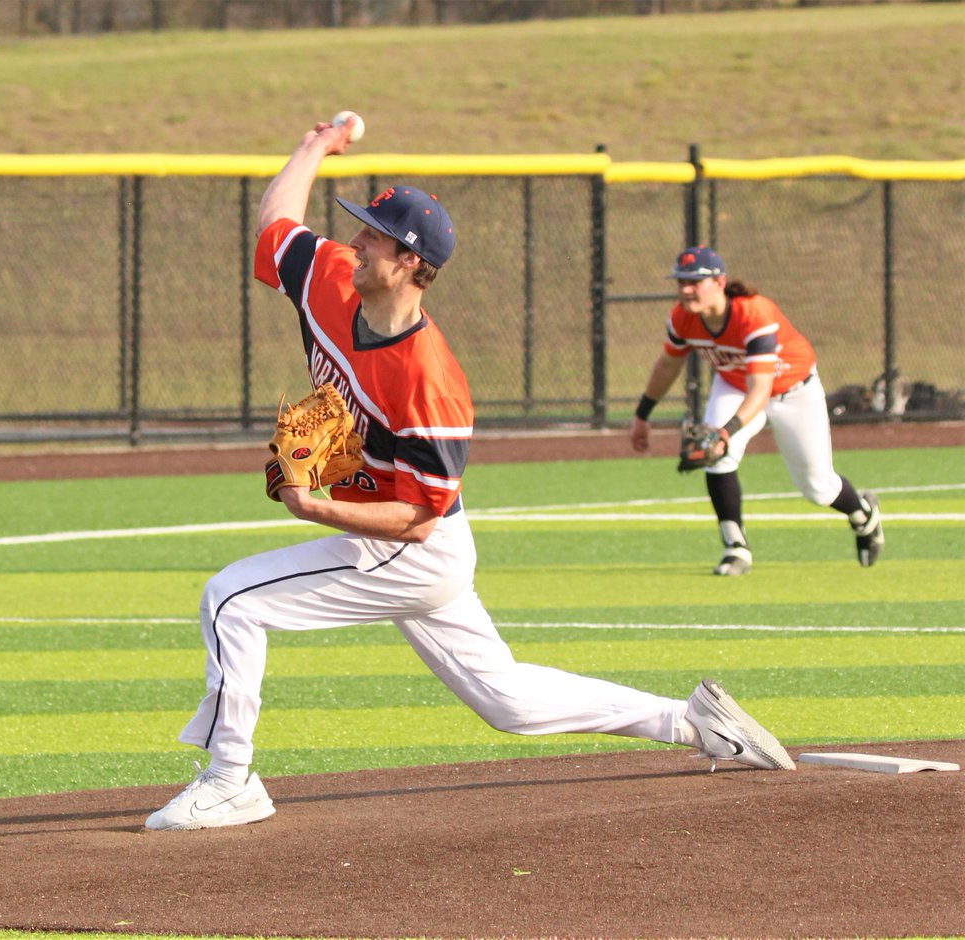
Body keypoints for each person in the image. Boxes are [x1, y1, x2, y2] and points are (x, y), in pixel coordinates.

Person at [143, 123, 795, 833]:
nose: (355, 242)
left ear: (408, 263)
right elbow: (276, 223)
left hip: (409, 546)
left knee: (232, 601)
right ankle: (690, 723)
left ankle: (230, 779)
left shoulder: (431, 382)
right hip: (418, 545)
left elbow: (418, 519)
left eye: (373, 238)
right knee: (506, 702)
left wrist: (315, 508)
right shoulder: (329, 278)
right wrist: (315, 146)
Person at [630, 245, 884, 576]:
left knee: (818, 488)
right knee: (715, 456)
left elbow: (761, 389)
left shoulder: (754, 313)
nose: (686, 289)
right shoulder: (683, 317)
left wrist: (726, 432)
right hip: (735, 385)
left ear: (719, 282)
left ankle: (863, 514)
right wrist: (642, 414)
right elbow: (667, 365)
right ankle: (735, 547)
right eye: (681, 281)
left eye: (696, 280)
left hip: (793, 391)